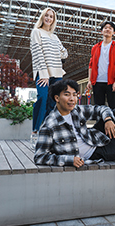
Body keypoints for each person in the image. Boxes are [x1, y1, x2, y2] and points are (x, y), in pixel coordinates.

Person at [30, 7, 68, 135]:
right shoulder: (36, 32)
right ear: (42, 17)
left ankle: (47, 129)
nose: (48, 18)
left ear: (53, 20)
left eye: (51, 16)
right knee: (42, 97)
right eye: (46, 15)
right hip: (43, 73)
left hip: (57, 74)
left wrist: (60, 52)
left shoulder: (55, 37)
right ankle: (35, 129)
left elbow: (65, 53)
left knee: (53, 102)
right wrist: (44, 74)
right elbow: (37, 53)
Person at [86, 21, 115, 109]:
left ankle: (113, 123)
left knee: (113, 107)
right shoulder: (95, 47)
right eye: (105, 28)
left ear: (113, 32)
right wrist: (89, 80)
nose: (107, 29)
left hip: (111, 82)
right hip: (97, 82)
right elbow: (91, 65)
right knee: (98, 108)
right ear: (101, 31)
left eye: (110, 28)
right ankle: (100, 123)